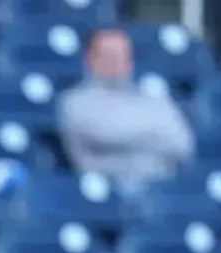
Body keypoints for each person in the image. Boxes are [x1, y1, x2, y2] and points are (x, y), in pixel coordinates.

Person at [57, 27, 194, 193]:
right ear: (90, 59)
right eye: (109, 55)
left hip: (158, 193)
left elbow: (183, 145)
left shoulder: (153, 98)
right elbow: (107, 134)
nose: (117, 61)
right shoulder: (74, 102)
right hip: (105, 194)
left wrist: (132, 136)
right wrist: (153, 134)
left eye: (123, 55)